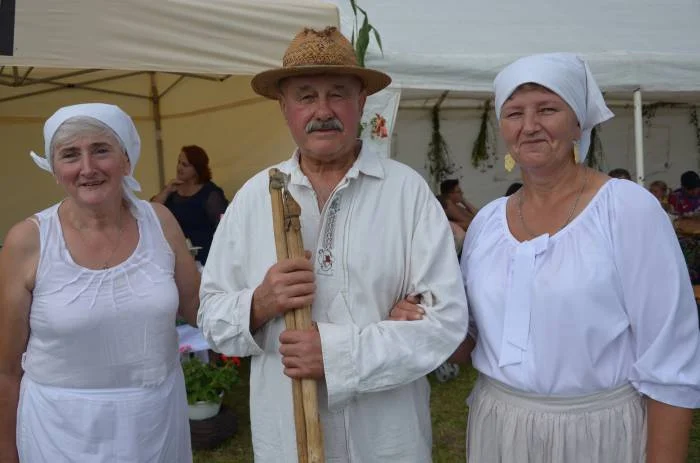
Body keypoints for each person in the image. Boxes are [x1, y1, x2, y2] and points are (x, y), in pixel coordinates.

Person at [392, 53, 700, 462]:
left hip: (597, 433)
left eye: (548, 109)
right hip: (499, 427)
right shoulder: (487, 223)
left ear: (578, 123)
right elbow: (469, 339)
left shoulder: (626, 209)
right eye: (514, 112)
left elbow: (670, 363)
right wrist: (425, 322)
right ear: (503, 128)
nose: (530, 125)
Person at [197, 27, 468, 462]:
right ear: (284, 107)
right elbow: (210, 318)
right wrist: (260, 303)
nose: (322, 110)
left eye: (338, 94)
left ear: (362, 101)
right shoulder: (254, 196)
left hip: (387, 437)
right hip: (286, 436)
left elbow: (444, 323)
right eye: (305, 96)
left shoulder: (406, 192)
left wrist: (337, 355)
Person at [0, 103, 200, 462]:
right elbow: (5, 368)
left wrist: (260, 293)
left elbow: (200, 308)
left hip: (154, 425)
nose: (87, 168)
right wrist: (5, 451)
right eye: (70, 155)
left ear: (126, 160)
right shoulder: (28, 241)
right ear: (55, 169)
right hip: (59, 433)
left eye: (101, 150)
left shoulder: (160, 222)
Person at [151, 145, 228, 264]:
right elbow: (152, 211)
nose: (179, 167)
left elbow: (224, 226)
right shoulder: (173, 191)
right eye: (179, 162)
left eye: (185, 165)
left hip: (204, 258)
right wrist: (167, 190)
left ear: (197, 169)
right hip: (175, 256)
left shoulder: (210, 193)